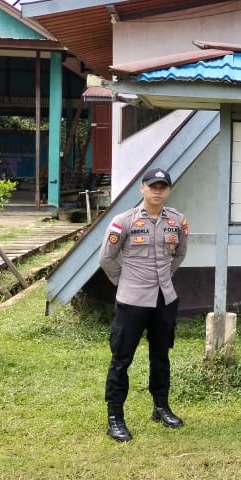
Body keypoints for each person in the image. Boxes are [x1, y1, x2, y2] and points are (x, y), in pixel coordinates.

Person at [98, 168, 189, 442]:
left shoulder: (177, 221)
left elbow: (180, 253)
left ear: (168, 190)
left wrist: (164, 279)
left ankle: (161, 407)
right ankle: (115, 418)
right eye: (153, 186)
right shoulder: (123, 221)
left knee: (161, 357)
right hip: (132, 301)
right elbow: (107, 259)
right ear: (142, 189)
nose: (157, 191)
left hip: (165, 299)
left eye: (163, 186)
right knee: (121, 360)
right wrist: (126, 283)